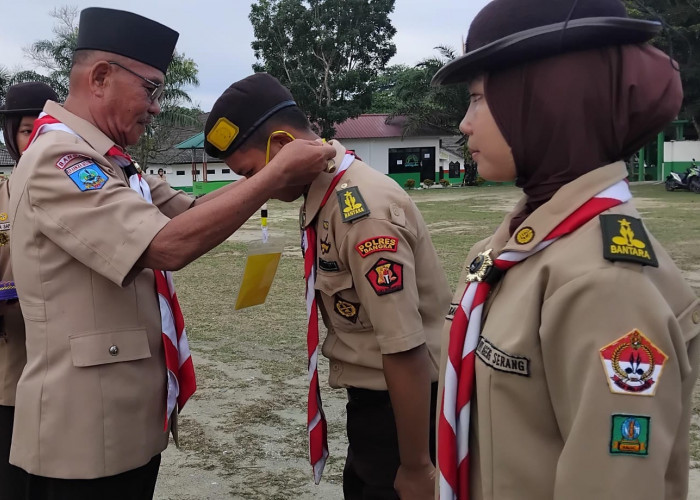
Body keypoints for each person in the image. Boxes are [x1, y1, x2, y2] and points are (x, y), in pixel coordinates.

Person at [8, 8, 335, 500]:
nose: (157, 106)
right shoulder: (61, 159)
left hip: (118, 422)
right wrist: (272, 178)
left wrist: (265, 174)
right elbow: (165, 245)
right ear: (101, 78)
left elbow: (193, 211)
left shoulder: (112, 161)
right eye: (152, 89)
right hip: (83, 437)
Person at [431, 0, 700, 498]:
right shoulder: (519, 247)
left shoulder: (605, 283)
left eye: (479, 99)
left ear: (549, 100)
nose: (465, 124)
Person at [203, 73, 451, 500]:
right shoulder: (326, 192)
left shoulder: (360, 210)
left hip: (403, 411)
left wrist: (416, 467)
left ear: (280, 148)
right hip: (375, 403)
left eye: (252, 173)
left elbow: (404, 346)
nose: (254, 188)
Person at [0, 81, 59, 499]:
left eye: (44, 126)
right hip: (10, 363)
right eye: (26, 129)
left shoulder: (78, 191)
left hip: (61, 368)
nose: (36, 138)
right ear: (9, 135)